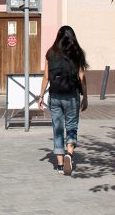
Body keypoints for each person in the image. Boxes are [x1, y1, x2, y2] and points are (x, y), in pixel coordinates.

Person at [38, 25, 89, 175]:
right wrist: (85, 97)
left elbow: (46, 77)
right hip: (72, 95)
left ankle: (60, 165)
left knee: (58, 128)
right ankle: (69, 153)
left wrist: (40, 96)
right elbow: (82, 77)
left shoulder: (51, 53)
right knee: (72, 125)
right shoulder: (77, 53)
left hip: (55, 96)